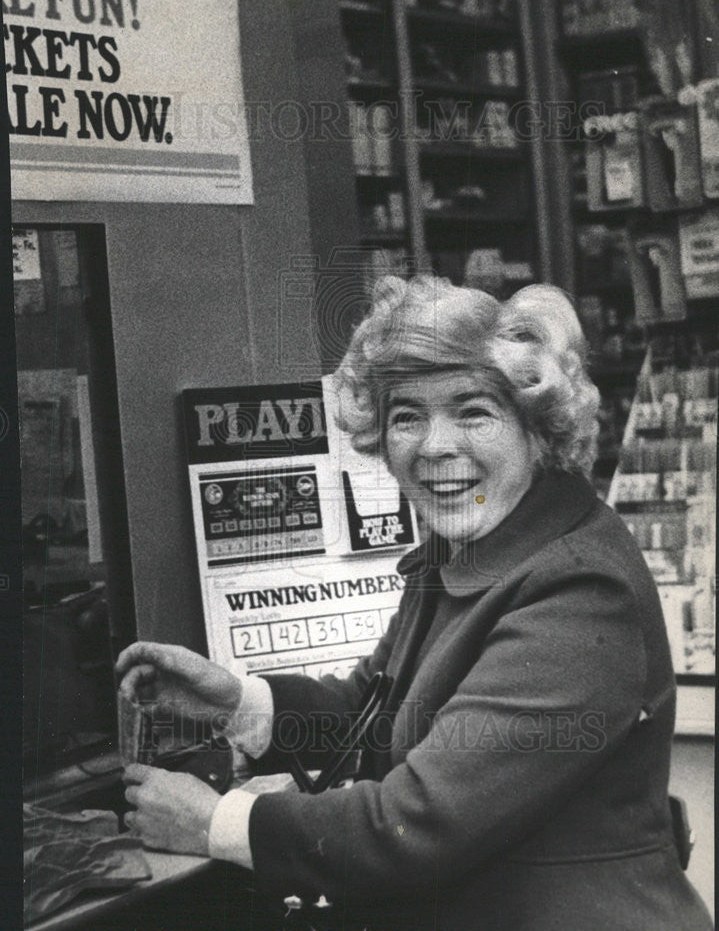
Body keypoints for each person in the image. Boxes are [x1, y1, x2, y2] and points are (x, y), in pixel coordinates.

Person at [117, 277, 713, 931]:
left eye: (472, 412)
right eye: (407, 416)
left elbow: (419, 821)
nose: (433, 446)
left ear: (534, 429)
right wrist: (241, 703)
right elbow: (376, 711)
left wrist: (214, 823)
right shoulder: (467, 548)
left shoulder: (577, 588)